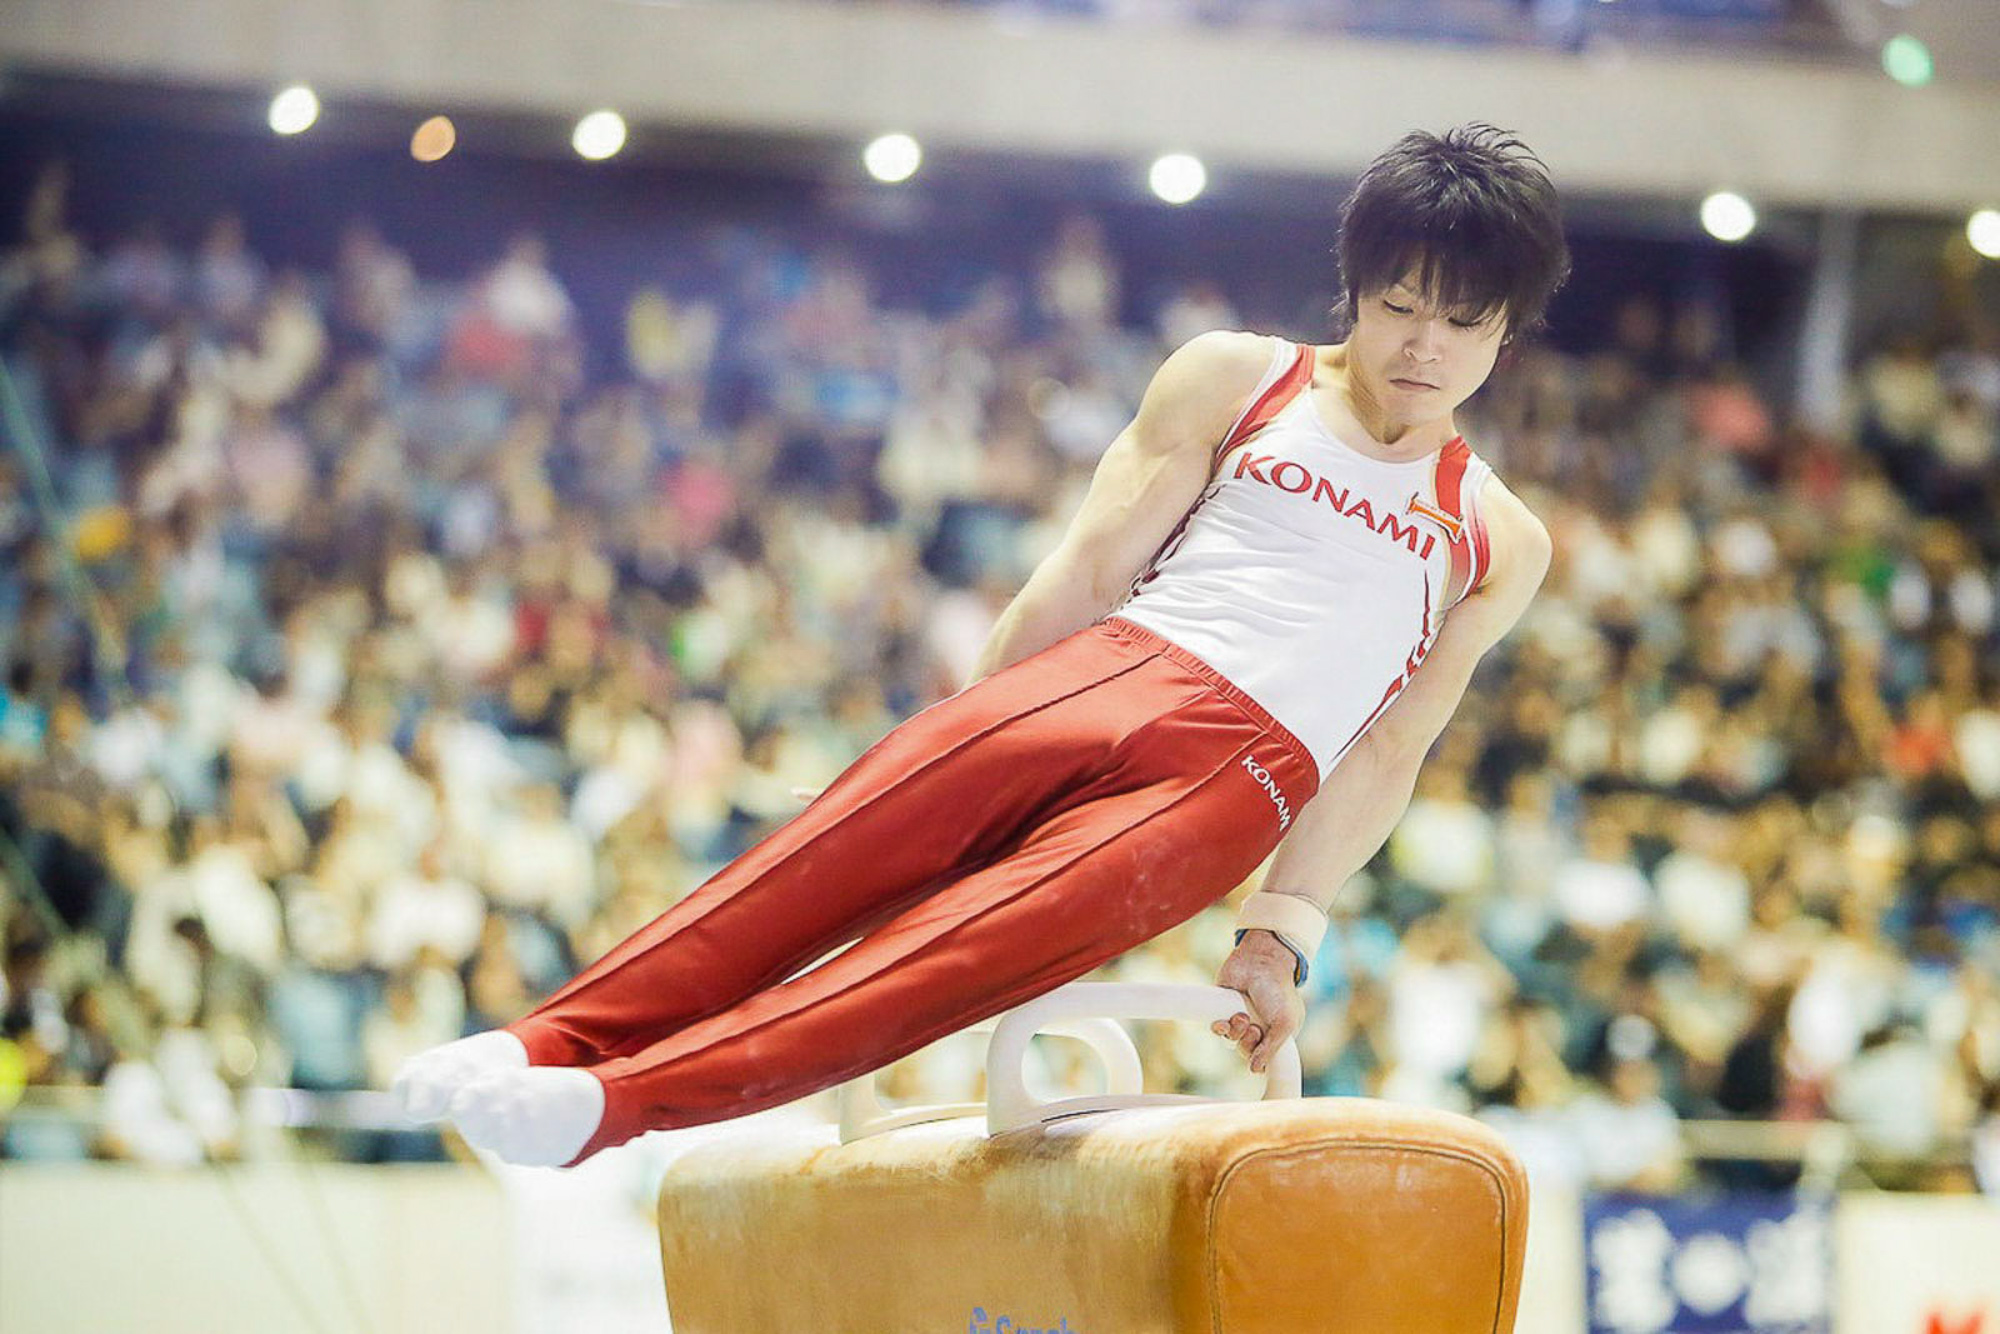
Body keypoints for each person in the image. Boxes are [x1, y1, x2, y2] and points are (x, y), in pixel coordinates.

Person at [394, 123, 1569, 1168]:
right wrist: (936, 747)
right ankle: (536, 1039)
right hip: (1111, 665)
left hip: (1240, 781)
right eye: (1398, 305)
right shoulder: (1238, 377)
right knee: (818, 859)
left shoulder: (1493, 538)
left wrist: (1280, 930)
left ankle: (611, 1103)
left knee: (940, 957)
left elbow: (1388, 749)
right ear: (1353, 291)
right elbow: (1086, 571)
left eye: (1460, 322)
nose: (1421, 346)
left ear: (1505, 336)